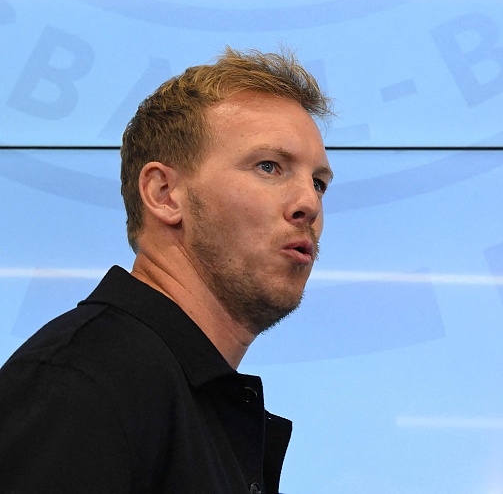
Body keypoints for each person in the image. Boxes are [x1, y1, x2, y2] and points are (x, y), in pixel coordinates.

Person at [0, 48, 334, 494]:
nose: (309, 203)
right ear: (163, 194)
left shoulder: (175, 395)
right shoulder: (80, 384)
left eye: (318, 182)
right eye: (269, 166)